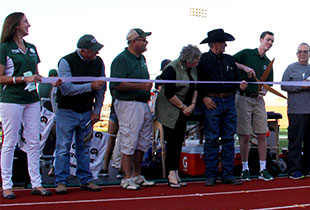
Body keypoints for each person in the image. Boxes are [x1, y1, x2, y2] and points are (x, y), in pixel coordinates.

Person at [0, 12, 51, 198]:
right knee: (10, 141)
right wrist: (22, 78)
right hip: (11, 99)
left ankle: (36, 183)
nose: (28, 25)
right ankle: (7, 185)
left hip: (31, 99)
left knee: (33, 141)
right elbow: (0, 78)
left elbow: (35, 75)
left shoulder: (31, 48)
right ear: (15, 25)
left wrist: (49, 81)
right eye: (25, 22)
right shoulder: (4, 48)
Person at [54, 34, 105, 194]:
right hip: (66, 111)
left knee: (84, 147)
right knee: (63, 147)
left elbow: (101, 88)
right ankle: (61, 181)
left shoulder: (98, 63)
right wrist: (90, 86)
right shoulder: (66, 62)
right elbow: (66, 89)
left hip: (86, 112)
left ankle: (86, 179)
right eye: (93, 51)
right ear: (83, 51)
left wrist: (97, 111)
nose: (96, 54)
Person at [197, 28, 248, 186]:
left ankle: (228, 174)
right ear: (213, 44)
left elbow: (236, 79)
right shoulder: (202, 60)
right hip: (212, 101)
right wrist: (204, 97)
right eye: (222, 42)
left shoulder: (229, 60)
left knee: (228, 139)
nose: (225, 45)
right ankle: (211, 175)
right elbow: (196, 81)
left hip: (228, 100)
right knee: (211, 139)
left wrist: (241, 85)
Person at [110, 28, 156, 190]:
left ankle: (136, 174)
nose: (146, 42)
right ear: (133, 41)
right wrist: (141, 86)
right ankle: (126, 177)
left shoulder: (141, 58)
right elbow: (116, 84)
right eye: (143, 40)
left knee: (142, 141)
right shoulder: (121, 59)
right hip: (128, 103)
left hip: (142, 103)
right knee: (129, 139)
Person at [155, 45, 201, 188]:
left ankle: (175, 171)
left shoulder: (193, 69)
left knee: (180, 140)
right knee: (172, 141)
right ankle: (171, 173)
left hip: (185, 109)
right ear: (188, 60)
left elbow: (196, 87)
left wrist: (192, 104)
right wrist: (182, 106)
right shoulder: (171, 68)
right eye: (195, 60)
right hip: (170, 109)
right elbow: (169, 93)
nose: (198, 62)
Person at [234, 31, 275, 181]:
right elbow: (231, 63)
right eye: (268, 40)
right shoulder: (246, 53)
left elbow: (269, 84)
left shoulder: (269, 63)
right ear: (261, 40)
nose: (269, 43)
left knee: (262, 134)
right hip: (243, 99)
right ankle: (245, 168)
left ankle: (263, 169)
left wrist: (264, 91)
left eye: (272, 41)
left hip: (258, 101)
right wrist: (244, 69)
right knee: (244, 135)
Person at [281, 43, 310, 180]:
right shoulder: (291, 68)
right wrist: (302, 85)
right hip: (296, 111)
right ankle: (294, 169)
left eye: (305, 52)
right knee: (296, 141)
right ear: (296, 54)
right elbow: (284, 85)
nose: (303, 54)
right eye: (300, 52)